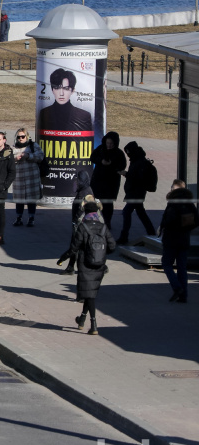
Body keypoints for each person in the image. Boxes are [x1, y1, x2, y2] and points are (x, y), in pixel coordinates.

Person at [67, 196, 117, 335]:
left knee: (90, 296)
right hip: (99, 264)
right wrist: (101, 251)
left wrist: (66, 257)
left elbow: (74, 247)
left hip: (85, 264)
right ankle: (82, 319)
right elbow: (113, 246)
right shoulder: (103, 226)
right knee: (91, 293)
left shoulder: (83, 226)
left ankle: (94, 324)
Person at [159, 179, 195, 303]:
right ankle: (183, 296)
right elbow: (196, 220)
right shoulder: (189, 203)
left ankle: (177, 287)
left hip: (171, 239)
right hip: (184, 239)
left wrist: (163, 227)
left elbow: (168, 220)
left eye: (172, 187)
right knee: (182, 267)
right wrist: (186, 229)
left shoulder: (173, 203)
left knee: (167, 264)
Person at [118, 141, 157, 245]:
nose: (128, 155)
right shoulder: (137, 159)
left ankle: (124, 236)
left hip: (136, 192)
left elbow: (137, 178)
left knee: (127, 212)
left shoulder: (139, 162)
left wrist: (126, 174)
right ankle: (151, 233)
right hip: (136, 192)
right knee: (141, 213)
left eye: (128, 152)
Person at [58, 166, 93, 275]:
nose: (76, 182)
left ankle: (71, 267)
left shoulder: (84, 193)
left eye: (78, 179)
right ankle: (70, 267)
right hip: (82, 224)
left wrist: (75, 223)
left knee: (77, 246)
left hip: (81, 224)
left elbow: (81, 211)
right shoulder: (85, 190)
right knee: (77, 246)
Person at [38, 68, 94, 133]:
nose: (61, 93)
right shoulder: (44, 113)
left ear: (73, 91)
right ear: (52, 90)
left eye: (66, 88)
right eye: (57, 88)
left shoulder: (84, 115)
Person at [90, 131, 126, 230]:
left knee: (108, 203)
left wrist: (113, 166)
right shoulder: (100, 149)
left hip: (111, 182)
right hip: (98, 180)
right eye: (108, 143)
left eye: (111, 144)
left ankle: (107, 222)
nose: (109, 146)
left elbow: (122, 165)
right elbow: (92, 157)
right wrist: (101, 161)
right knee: (95, 201)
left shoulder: (119, 153)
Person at [10, 127, 44, 227]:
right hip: (18, 178)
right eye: (19, 137)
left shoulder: (33, 146)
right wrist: (15, 158)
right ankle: (19, 218)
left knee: (31, 199)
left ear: (27, 136)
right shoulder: (13, 148)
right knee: (19, 199)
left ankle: (31, 218)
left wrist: (28, 156)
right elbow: (8, 159)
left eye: (23, 136)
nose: (20, 139)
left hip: (32, 177)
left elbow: (40, 157)